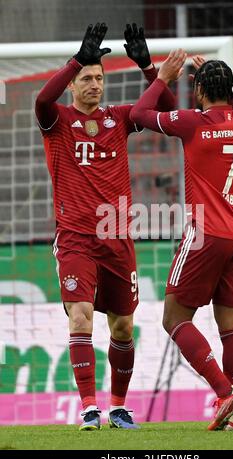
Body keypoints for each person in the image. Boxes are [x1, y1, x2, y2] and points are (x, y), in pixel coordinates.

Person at [35, 23, 175, 431]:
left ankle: (117, 407)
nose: (95, 84)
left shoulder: (118, 119)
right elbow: (42, 97)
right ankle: (89, 408)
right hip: (76, 238)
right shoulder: (56, 120)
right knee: (80, 317)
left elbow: (161, 108)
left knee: (123, 325)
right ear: (73, 85)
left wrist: (149, 67)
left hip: (118, 238)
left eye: (100, 78)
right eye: (87, 78)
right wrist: (77, 58)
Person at [130, 50, 233, 431]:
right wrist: (216, 82)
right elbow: (221, 109)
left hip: (207, 234)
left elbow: (139, 115)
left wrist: (161, 77)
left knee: (174, 317)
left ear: (199, 91)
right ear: (231, 91)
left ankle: (224, 392)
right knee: (231, 324)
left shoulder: (194, 124)